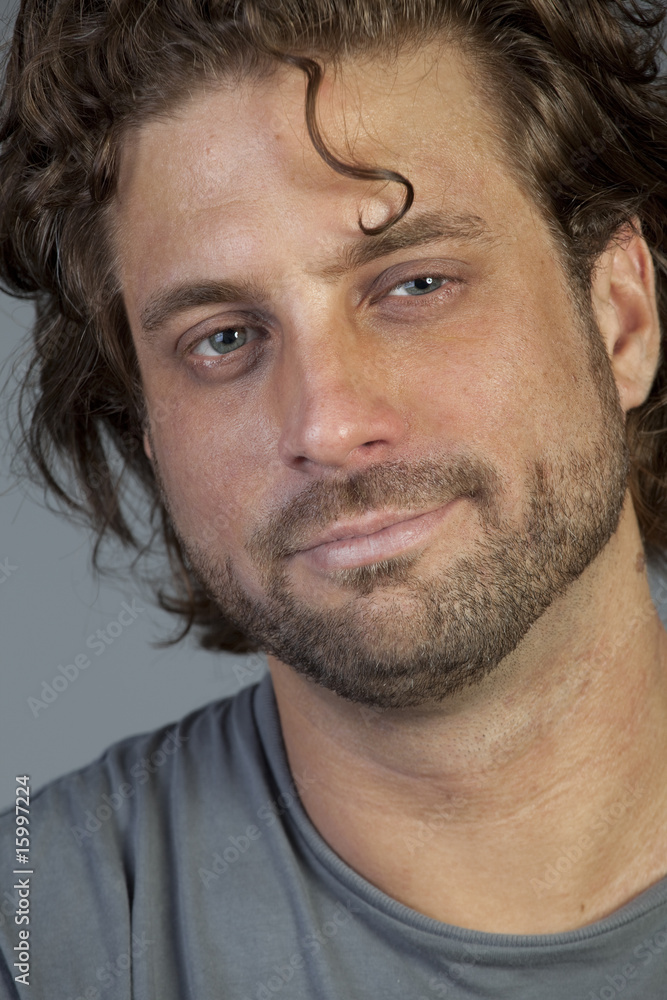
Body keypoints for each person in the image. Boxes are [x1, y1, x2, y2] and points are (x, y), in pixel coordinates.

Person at [1, 0, 667, 996]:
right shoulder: (42, 940)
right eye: (222, 337)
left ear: (619, 318)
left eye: (415, 284)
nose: (324, 423)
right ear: (151, 428)